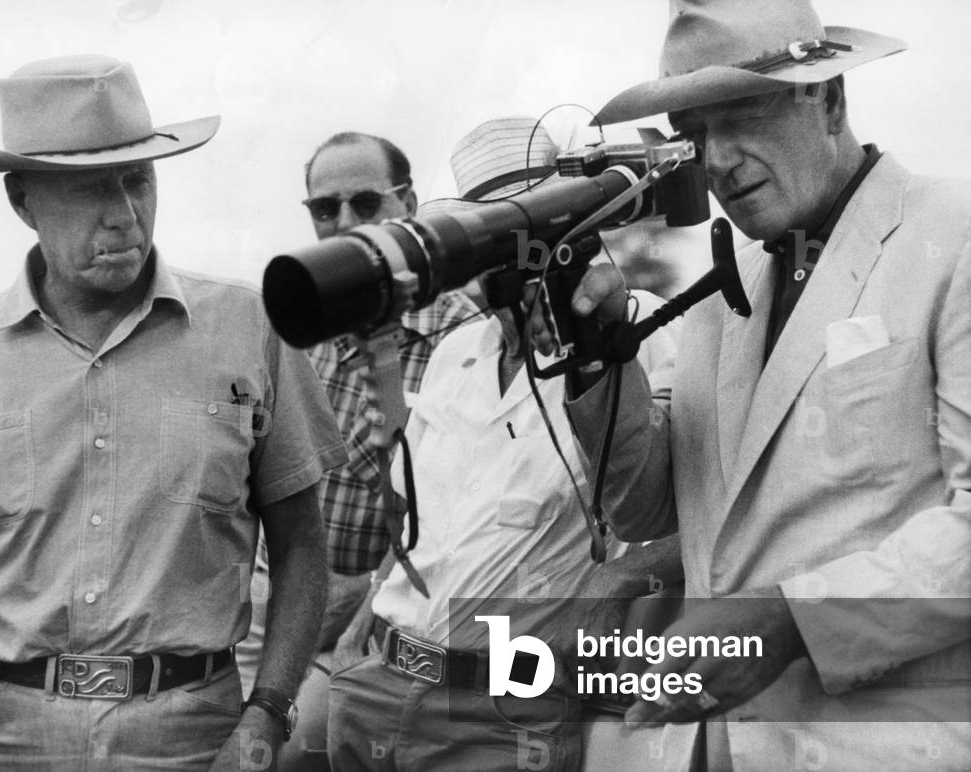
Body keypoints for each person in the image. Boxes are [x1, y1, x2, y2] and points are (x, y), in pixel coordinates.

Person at [549, 1, 971, 768]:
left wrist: (791, 620)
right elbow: (646, 505)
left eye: (740, 115)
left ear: (829, 97)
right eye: (694, 133)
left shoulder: (954, 234)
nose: (715, 159)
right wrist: (597, 356)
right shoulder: (724, 290)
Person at [0, 54, 347, 771]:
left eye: (137, 181)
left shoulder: (250, 329)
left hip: (193, 733)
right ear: (22, 200)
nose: (124, 216)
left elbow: (301, 548)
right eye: (89, 190)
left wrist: (268, 717)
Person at [325, 117, 681, 772]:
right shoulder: (456, 349)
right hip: (379, 685)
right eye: (482, 235)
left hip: (507, 712)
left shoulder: (639, 331)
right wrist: (357, 645)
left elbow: (700, 510)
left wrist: (621, 579)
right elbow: (417, 529)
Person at [235, 131, 480, 768]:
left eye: (366, 204)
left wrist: (364, 606)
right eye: (324, 209)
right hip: (266, 594)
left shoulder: (464, 339)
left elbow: (452, 522)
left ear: (409, 204)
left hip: (368, 617)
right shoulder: (295, 329)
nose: (344, 223)